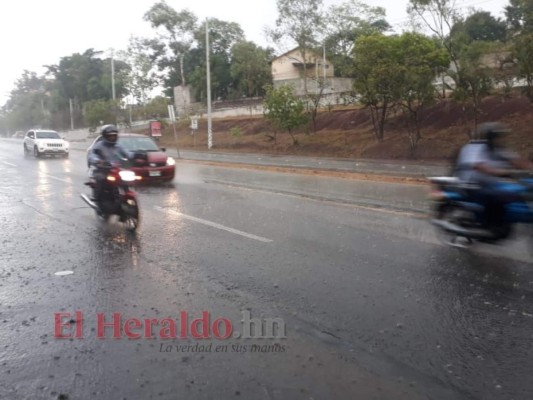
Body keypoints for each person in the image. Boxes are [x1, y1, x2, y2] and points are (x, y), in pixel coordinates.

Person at [454, 122, 533, 237]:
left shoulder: (499, 149)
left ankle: (503, 223)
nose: (500, 140)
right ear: (490, 138)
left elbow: (517, 161)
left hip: (490, 183)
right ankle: (490, 226)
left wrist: (529, 167)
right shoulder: (474, 148)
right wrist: (503, 172)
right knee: (499, 196)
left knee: (515, 192)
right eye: (497, 137)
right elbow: (479, 166)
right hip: (471, 184)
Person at [87, 124, 131, 202]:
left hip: (116, 169)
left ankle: (124, 195)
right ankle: (96, 197)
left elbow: (127, 153)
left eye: (114, 135)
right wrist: (97, 160)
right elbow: (92, 155)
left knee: (126, 179)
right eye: (110, 136)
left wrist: (137, 156)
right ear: (105, 136)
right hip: (103, 170)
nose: (112, 137)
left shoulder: (118, 146)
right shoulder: (99, 146)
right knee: (100, 179)